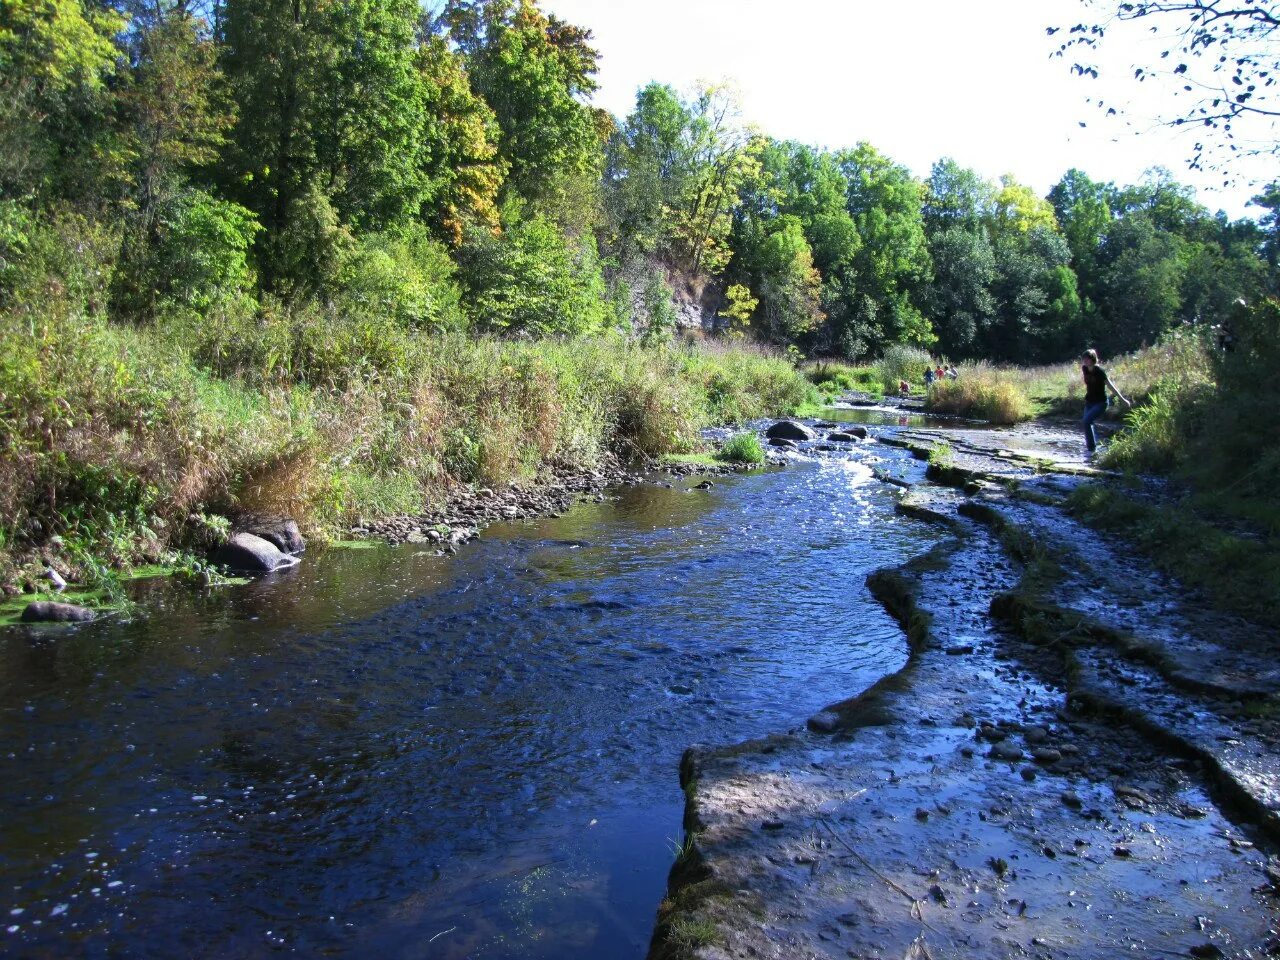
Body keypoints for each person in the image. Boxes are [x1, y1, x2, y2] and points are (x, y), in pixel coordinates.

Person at [1081, 348, 1131, 453]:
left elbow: (1110, 386)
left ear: (1093, 359)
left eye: (1087, 359)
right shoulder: (1084, 369)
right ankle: (1092, 448)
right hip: (1089, 402)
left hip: (1100, 403)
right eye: (1084, 359)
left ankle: (1091, 449)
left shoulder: (1099, 371)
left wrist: (1122, 399)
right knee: (1088, 423)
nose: (1085, 361)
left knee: (1086, 421)